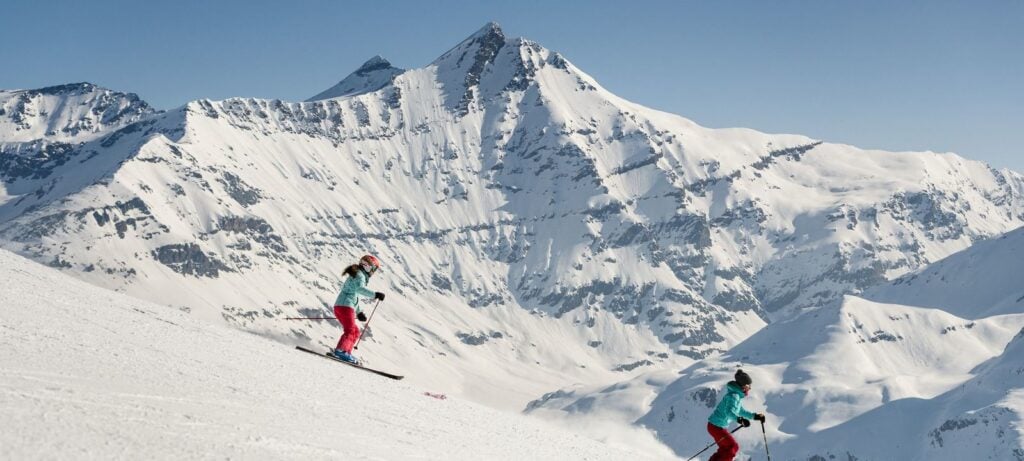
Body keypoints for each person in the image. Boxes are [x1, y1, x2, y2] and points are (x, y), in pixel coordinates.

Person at [330, 254, 385, 364]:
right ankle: (341, 351)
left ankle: (346, 353)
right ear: (368, 266)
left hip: (342, 306)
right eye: (374, 269)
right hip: (346, 307)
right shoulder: (360, 275)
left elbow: (353, 295)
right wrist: (375, 295)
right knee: (350, 330)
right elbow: (360, 289)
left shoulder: (357, 274)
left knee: (355, 331)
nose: (373, 272)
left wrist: (359, 312)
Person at [706, 369, 766, 461]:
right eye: (748, 385)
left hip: (715, 426)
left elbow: (741, 411)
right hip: (716, 426)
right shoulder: (734, 396)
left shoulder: (735, 395)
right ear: (743, 386)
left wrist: (755, 416)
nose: (750, 388)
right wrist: (740, 420)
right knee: (733, 446)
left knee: (725, 448)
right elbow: (729, 412)